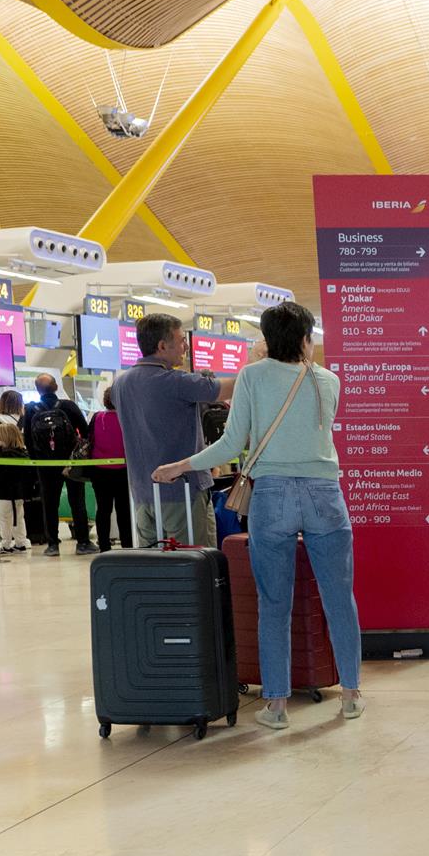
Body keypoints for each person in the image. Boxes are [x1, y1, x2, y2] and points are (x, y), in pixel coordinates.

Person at [152, 301, 364, 727]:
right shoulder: (329, 380)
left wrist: (181, 466)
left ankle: (278, 706)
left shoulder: (252, 376)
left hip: (272, 494)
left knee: (274, 602)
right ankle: (351, 695)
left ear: (267, 338)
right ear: (305, 337)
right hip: (325, 493)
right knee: (340, 597)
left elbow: (232, 444)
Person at [112, 314, 235, 547]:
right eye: (181, 341)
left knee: (153, 563)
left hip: (142, 494)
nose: (186, 347)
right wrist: (261, 367)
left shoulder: (120, 384)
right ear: (162, 346)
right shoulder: (176, 382)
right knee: (195, 560)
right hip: (182, 492)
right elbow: (230, 387)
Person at [21, 373, 95, 556]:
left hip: (45, 465)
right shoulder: (68, 406)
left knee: (49, 503)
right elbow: (86, 431)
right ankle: (83, 542)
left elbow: (28, 438)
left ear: (37, 390)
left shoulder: (31, 410)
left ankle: (53, 545)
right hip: (70, 462)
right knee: (77, 501)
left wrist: (37, 460)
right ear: (55, 387)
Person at [88, 386, 132, 552]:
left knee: (103, 509)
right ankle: (127, 545)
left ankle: (104, 546)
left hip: (99, 470)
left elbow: (89, 438)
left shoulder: (97, 417)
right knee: (124, 509)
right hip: (123, 470)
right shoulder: (127, 418)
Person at [0, 422, 34, 553]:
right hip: (17, 494)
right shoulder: (21, 453)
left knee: (3, 517)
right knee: (18, 517)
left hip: (6, 494)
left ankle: (6, 543)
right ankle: (21, 542)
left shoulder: (3, 454)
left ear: (4, 437)